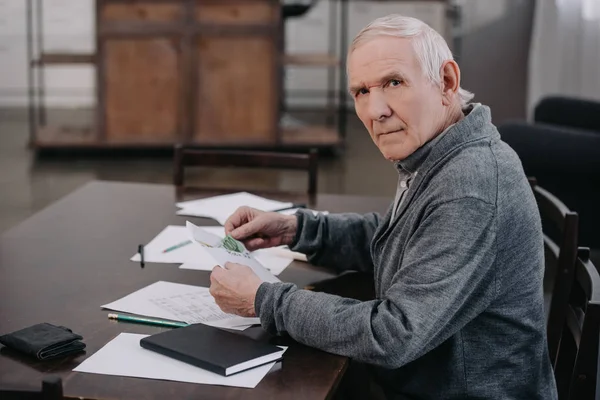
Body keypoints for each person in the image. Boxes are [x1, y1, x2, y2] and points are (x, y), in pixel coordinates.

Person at [208, 14, 558, 399]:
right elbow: (406, 237)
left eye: (393, 83)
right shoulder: (445, 152)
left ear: (446, 81)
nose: (376, 111)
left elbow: (393, 334)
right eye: (361, 92)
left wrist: (264, 300)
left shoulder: (469, 184)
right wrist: (299, 229)